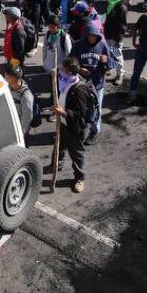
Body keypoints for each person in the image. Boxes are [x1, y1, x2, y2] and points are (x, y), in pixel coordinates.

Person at [49, 57, 98, 193]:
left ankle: (79, 178)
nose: (61, 71)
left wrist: (63, 112)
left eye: (63, 69)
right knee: (59, 146)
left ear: (69, 71)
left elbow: (79, 114)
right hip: (64, 124)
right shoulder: (65, 81)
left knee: (77, 153)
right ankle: (56, 165)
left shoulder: (79, 90)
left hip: (75, 127)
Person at [0, 63, 36, 135]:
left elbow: (27, 117)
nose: (4, 77)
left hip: (19, 128)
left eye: (6, 75)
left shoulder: (26, 96)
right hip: (11, 122)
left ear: (12, 78)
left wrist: (20, 133)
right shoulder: (10, 85)